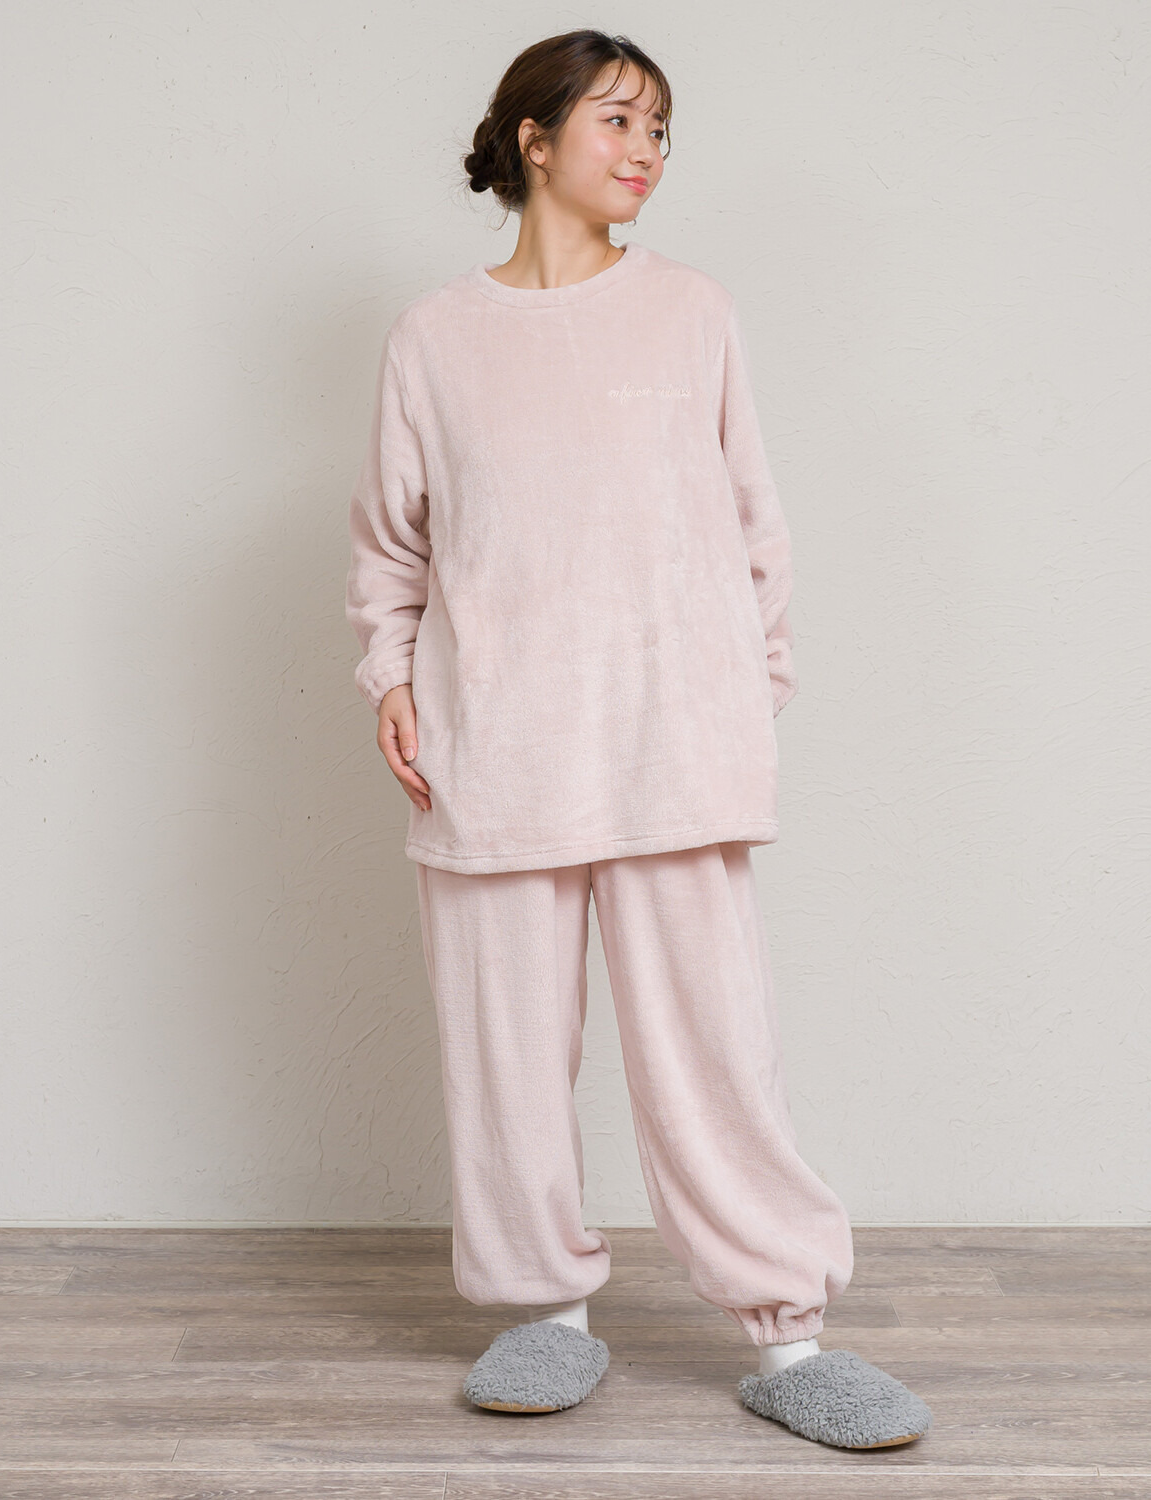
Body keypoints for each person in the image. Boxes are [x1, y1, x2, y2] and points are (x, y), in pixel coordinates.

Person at [344, 28, 932, 1451]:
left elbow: (755, 526)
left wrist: (743, 685)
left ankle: (789, 1336)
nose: (646, 152)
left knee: (714, 1046)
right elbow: (392, 548)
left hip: (674, 739)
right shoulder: (434, 338)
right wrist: (391, 677)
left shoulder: (692, 313)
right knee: (503, 1046)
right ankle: (544, 1311)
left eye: (661, 130)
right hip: (494, 741)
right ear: (533, 138)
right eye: (618, 121)